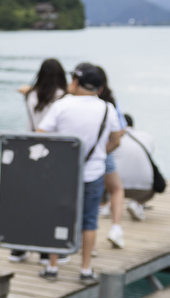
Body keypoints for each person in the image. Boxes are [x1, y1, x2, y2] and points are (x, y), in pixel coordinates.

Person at [36, 63, 120, 281]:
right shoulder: (106, 108)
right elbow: (117, 137)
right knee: (89, 222)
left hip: (62, 173)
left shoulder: (62, 105)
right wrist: (102, 151)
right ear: (99, 88)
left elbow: (41, 132)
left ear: (76, 82)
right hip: (93, 172)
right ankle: (85, 269)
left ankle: (53, 267)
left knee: (57, 217)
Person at [11, 58, 66, 262]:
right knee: (50, 204)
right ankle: (45, 251)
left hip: (31, 151)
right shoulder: (63, 97)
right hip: (54, 155)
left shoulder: (31, 95)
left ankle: (18, 247)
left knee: (29, 201)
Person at [96, 78, 129, 248]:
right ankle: (116, 229)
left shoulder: (72, 101)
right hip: (104, 153)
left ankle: (89, 244)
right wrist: (103, 150)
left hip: (82, 158)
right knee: (116, 189)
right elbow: (120, 132)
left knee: (87, 198)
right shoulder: (110, 104)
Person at [116, 113, 157, 219]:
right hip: (144, 188)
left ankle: (104, 205)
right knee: (157, 181)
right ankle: (137, 203)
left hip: (115, 187)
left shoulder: (113, 137)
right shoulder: (145, 136)